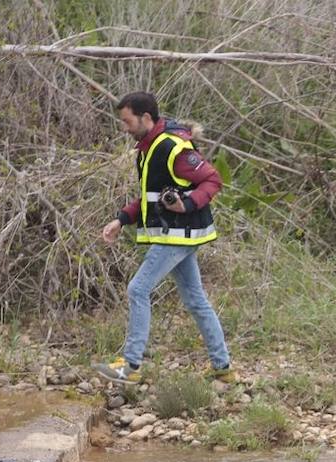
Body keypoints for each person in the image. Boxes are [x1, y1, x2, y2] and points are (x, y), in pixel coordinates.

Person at [95, 91, 235, 385]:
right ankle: (222, 366)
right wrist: (121, 220)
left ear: (146, 118)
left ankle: (130, 366)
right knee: (196, 300)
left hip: (177, 234)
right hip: (178, 234)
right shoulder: (149, 146)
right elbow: (152, 197)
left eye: (127, 121)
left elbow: (212, 179)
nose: (124, 128)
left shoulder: (172, 147)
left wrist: (188, 203)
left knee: (137, 289)